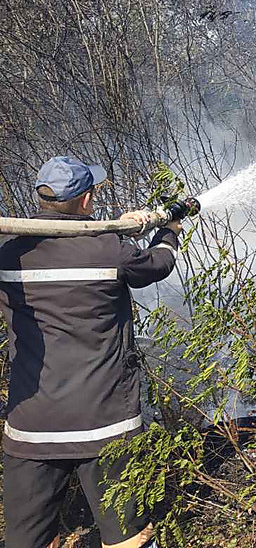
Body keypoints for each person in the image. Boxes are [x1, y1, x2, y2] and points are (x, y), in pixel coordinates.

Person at [0, 156, 181, 548]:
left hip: (32, 429)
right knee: (127, 537)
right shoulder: (107, 249)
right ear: (85, 201)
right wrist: (169, 229)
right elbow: (159, 263)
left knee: (23, 540)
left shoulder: (9, 254)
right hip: (105, 423)